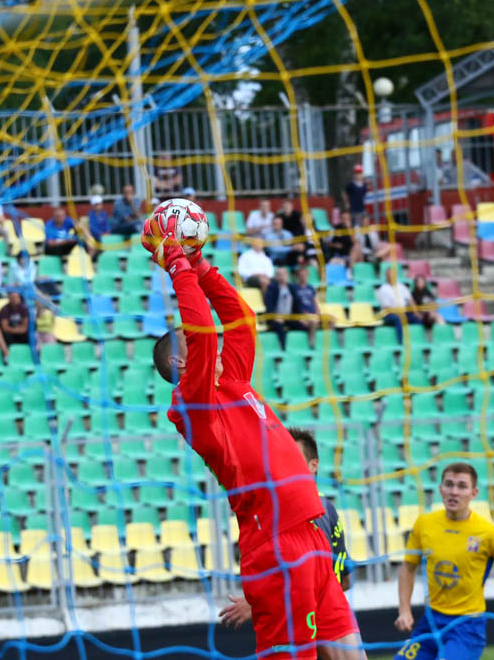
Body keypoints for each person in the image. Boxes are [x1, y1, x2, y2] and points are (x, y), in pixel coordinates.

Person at [145, 218, 364, 660]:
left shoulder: (234, 379)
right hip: (276, 545)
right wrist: (177, 264)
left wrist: (201, 266)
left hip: (313, 535)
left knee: (350, 655)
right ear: (179, 362)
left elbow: (240, 320)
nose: (201, 335)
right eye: (189, 339)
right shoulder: (192, 403)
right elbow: (204, 332)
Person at [394, 462, 494, 660]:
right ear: (440, 489)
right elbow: (408, 567)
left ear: (473, 493)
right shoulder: (424, 524)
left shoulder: (491, 534)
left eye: (462, 486)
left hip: (468, 626)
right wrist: (404, 610)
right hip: (431, 621)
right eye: (449, 484)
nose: (454, 492)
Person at [219, 427, 352, 629]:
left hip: (309, 626)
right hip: (326, 621)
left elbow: (317, 582)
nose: (286, 465)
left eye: (293, 458)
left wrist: (257, 604)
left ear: (313, 465)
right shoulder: (323, 508)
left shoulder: (312, 511)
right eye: (282, 458)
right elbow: (343, 580)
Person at [264, 267, 318, 349]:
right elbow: (269, 304)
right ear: (276, 276)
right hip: (276, 317)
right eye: (279, 274)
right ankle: (283, 349)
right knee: (280, 328)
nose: (282, 276)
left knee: (303, 326)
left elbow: (296, 304)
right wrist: (275, 316)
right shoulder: (272, 287)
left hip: (289, 317)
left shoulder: (291, 287)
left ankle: (302, 348)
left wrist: (300, 317)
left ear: (287, 275)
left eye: (283, 274)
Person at [377, 266, 421, 344]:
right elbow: (387, 309)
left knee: (417, 319)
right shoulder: (383, 289)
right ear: (386, 276)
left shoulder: (402, 286)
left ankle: (418, 340)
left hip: (403, 311)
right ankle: (401, 342)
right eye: (389, 275)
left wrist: (416, 312)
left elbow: (410, 300)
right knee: (398, 318)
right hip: (389, 314)